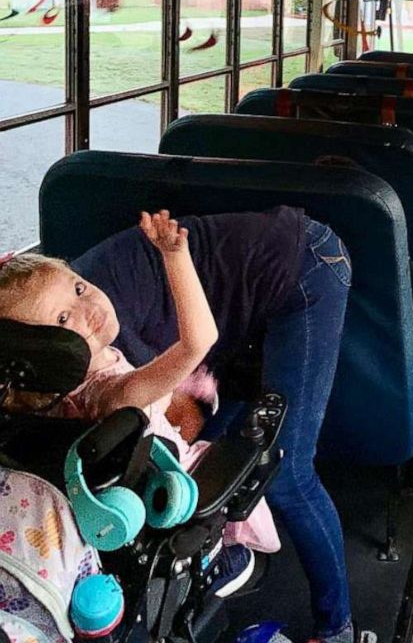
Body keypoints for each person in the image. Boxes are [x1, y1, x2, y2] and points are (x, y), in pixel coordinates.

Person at [0, 207, 354, 643]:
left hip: (301, 261)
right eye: (62, 320)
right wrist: (175, 256)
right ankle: (328, 622)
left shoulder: (30, 398)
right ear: (38, 355)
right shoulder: (110, 392)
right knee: (289, 473)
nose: (86, 308)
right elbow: (198, 342)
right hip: (180, 484)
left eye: (78, 287)